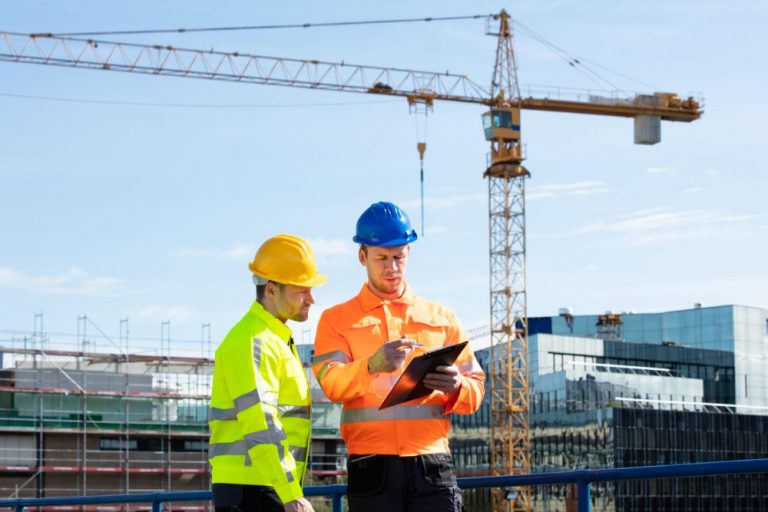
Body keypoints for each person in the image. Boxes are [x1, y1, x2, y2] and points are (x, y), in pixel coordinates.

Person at [312, 201, 485, 511]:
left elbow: (476, 390)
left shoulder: (443, 318)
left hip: (431, 461)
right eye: (381, 258)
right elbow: (331, 383)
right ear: (362, 256)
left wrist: (457, 385)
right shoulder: (335, 320)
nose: (391, 267)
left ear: (409, 253)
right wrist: (371, 366)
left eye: (398, 257)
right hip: (371, 464)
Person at [209, 234, 326, 512]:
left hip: (262, 484)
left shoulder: (272, 339)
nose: (311, 299)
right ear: (271, 290)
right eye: (302, 290)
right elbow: (260, 422)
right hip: (254, 488)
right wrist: (290, 493)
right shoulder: (254, 340)